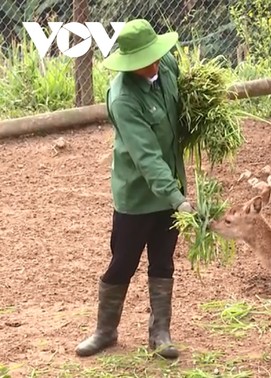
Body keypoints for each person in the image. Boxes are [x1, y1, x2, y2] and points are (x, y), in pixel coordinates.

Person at [75, 19, 193, 359]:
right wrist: (178, 200)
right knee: (123, 262)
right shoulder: (123, 97)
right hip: (137, 196)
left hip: (172, 185)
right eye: (145, 61)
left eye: (155, 56)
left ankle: (160, 334)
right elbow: (147, 157)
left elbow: (182, 102)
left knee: (163, 261)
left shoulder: (167, 65)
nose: (154, 64)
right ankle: (105, 330)